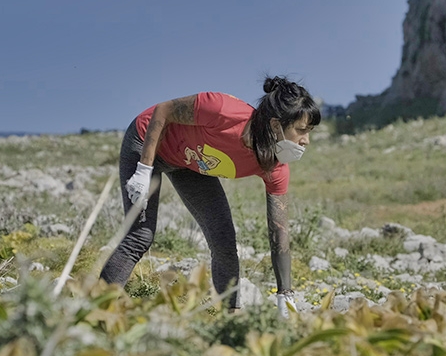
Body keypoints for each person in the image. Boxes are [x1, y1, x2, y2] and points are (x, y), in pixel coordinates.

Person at [100, 76, 320, 315]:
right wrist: (144, 170)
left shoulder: (274, 167)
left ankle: (230, 318)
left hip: (189, 164)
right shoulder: (222, 110)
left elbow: (279, 233)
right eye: (301, 130)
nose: (306, 140)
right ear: (276, 125)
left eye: (309, 132)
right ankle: (95, 306)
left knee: (223, 238)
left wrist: (285, 294)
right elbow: (162, 111)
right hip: (146, 141)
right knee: (140, 236)